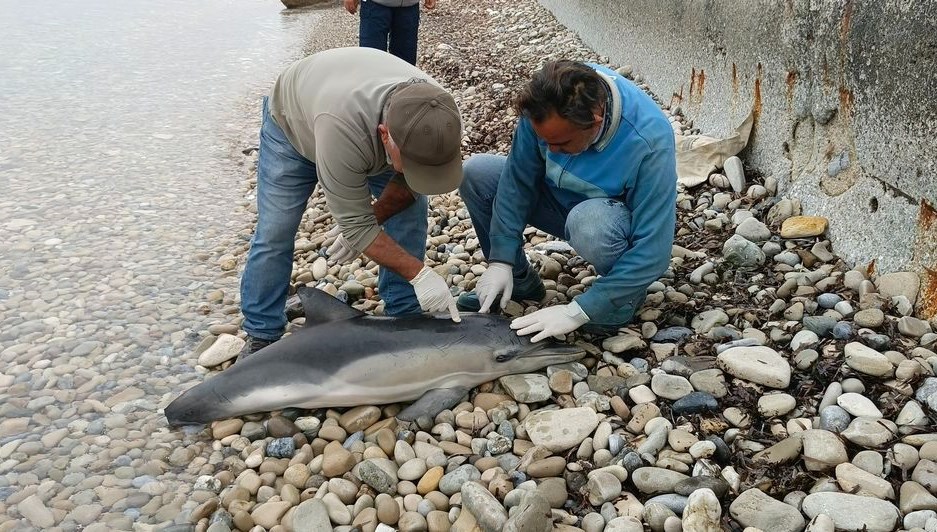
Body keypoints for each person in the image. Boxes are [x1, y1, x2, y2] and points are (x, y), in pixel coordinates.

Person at [238, 47, 463, 360]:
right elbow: (358, 229)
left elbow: (408, 187)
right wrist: (420, 273)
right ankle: (262, 331)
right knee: (276, 230)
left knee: (411, 210)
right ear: (385, 136)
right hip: (292, 124)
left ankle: (404, 311)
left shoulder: (438, 115)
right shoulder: (341, 129)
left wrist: (376, 217)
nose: (417, 173)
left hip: (349, 112)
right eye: (411, 163)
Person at [456, 60, 677, 341]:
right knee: (477, 173)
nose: (551, 151)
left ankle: (620, 299)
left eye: (561, 144)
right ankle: (519, 281)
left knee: (590, 222)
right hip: (555, 200)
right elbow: (516, 184)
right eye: (544, 140)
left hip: (605, 221)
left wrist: (579, 310)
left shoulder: (648, 140)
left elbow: (654, 251)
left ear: (595, 121)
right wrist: (501, 259)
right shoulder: (544, 103)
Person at [343, 0, 437, 66]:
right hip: (375, 6)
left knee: (406, 64)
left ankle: (401, 93)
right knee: (371, 59)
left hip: (409, 7)